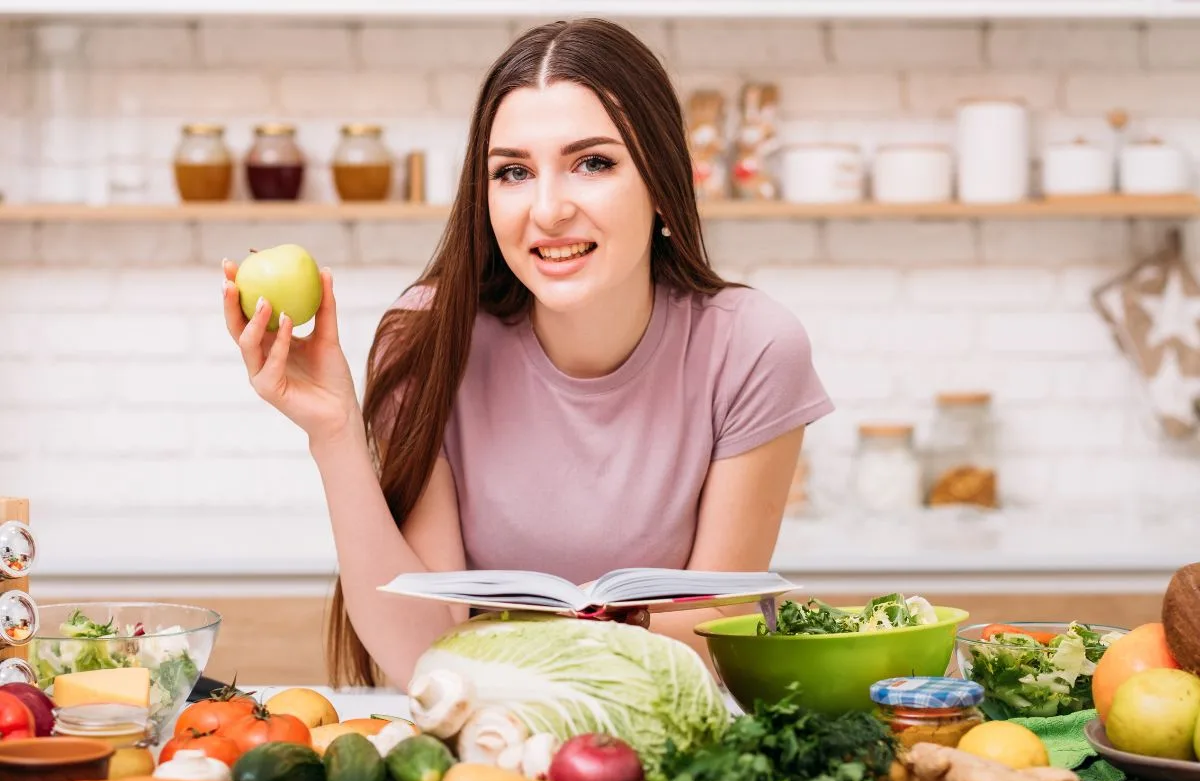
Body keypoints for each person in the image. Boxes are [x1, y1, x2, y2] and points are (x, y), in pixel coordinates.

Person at [221, 17, 833, 690]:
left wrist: (498, 645)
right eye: (513, 172)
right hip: (491, 750)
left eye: (592, 163)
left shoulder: (752, 347)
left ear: (662, 181)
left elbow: (712, 635)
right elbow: (420, 656)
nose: (547, 211)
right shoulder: (429, 339)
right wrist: (334, 432)